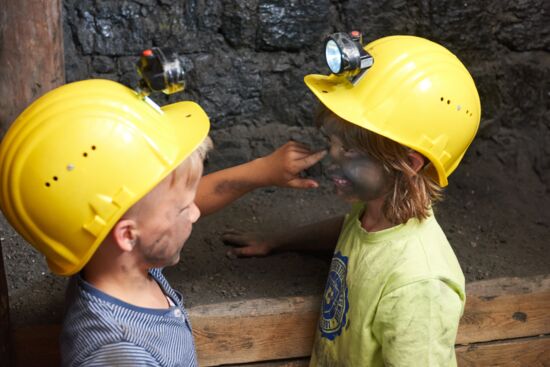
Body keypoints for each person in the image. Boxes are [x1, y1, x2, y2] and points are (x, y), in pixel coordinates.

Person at [0, 79, 325, 366]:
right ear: (127, 235)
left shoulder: (114, 260)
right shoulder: (120, 353)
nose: (196, 212)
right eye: (184, 209)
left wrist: (262, 171)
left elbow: (177, 201)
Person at [223, 35, 481, 366]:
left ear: (409, 163)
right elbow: (349, 233)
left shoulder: (420, 287)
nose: (330, 158)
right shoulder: (374, 215)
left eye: (349, 149)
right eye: (331, 141)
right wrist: (276, 241)